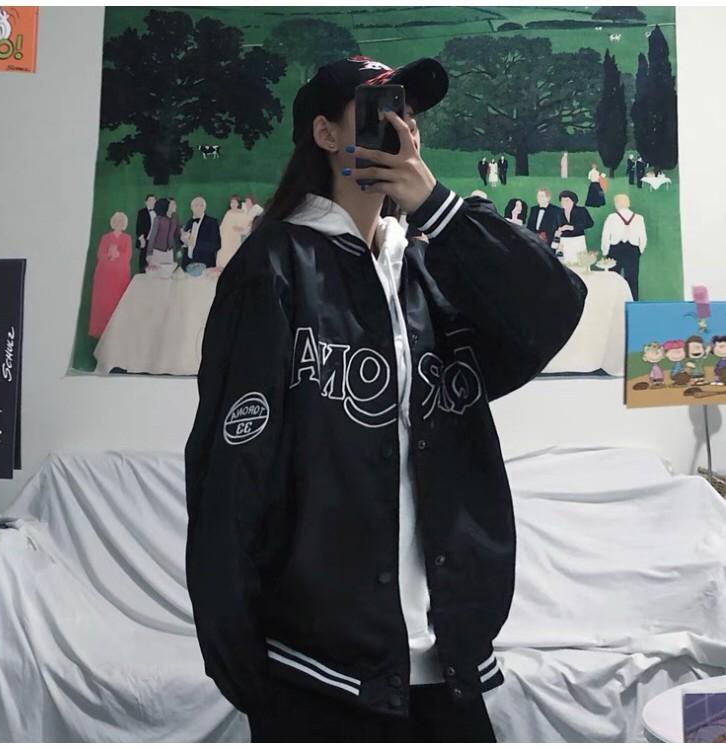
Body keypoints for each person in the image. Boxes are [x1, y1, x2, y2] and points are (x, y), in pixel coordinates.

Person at [184, 54, 587, 744]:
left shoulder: (431, 263)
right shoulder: (273, 266)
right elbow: (230, 467)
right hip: (314, 668)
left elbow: (553, 307)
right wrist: (239, 656)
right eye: (380, 108)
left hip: (446, 658)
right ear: (325, 133)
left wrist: (438, 207)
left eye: (410, 110)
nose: (402, 124)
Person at [88, 211, 132, 338]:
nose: (118, 224)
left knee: (117, 302)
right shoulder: (105, 237)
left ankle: (116, 331)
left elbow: (128, 256)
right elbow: (100, 254)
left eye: (121, 222)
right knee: (104, 303)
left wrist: (117, 255)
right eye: (116, 221)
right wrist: (109, 255)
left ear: (124, 224)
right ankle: (100, 331)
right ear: (113, 222)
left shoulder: (127, 238)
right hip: (105, 276)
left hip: (120, 277)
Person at [600, 193, 647, 300]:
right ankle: (633, 302)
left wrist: (605, 251)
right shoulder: (639, 218)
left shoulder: (611, 217)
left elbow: (605, 236)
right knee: (632, 278)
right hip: (633, 249)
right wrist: (639, 250)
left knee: (613, 277)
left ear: (617, 203)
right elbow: (643, 238)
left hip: (615, 249)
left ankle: (613, 300)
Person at [181, 196, 221, 270]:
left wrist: (194, 243)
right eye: (196, 205)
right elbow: (185, 242)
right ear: (191, 208)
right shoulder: (189, 222)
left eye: (201, 205)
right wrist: (183, 240)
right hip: (188, 265)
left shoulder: (212, 222)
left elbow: (216, 245)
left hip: (205, 265)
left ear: (205, 208)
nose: (199, 208)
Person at [554, 190, 594, 263]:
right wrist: (558, 232)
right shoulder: (558, 212)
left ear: (573, 201)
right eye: (562, 201)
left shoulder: (581, 210)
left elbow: (590, 223)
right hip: (564, 242)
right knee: (564, 263)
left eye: (567, 200)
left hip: (578, 240)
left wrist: (572, 227)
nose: (564, 203)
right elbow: (556, 227)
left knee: (579, 263)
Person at [217, 195, 249, 268]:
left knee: (234, 254)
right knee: (223, 254)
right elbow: (223, 226)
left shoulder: (243, 213)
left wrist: (240, 228)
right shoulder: (229, 212)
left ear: (238, 203)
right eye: (231, 202)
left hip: (235, 237)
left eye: (234, 202)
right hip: (225, 238)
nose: (233, 204)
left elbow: (246, 227)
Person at [147, 198, 177, 267]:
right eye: (170, 205)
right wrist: (149, 253)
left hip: (169, 252)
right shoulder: (158, 219)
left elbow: (176, 234)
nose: (173, 206)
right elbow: (152, 236)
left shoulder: (174, 219)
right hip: (158, 252)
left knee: (168, 271)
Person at [135, 194, 156, 273]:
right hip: (145, 241)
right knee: (143, 262)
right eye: (150, 200)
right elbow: (138, 228)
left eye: (154, 200)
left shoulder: (158, 212)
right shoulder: (142, 212)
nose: (152, 202)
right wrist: (141, 239)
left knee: (155, 263)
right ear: (146, 202)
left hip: (155, 242)